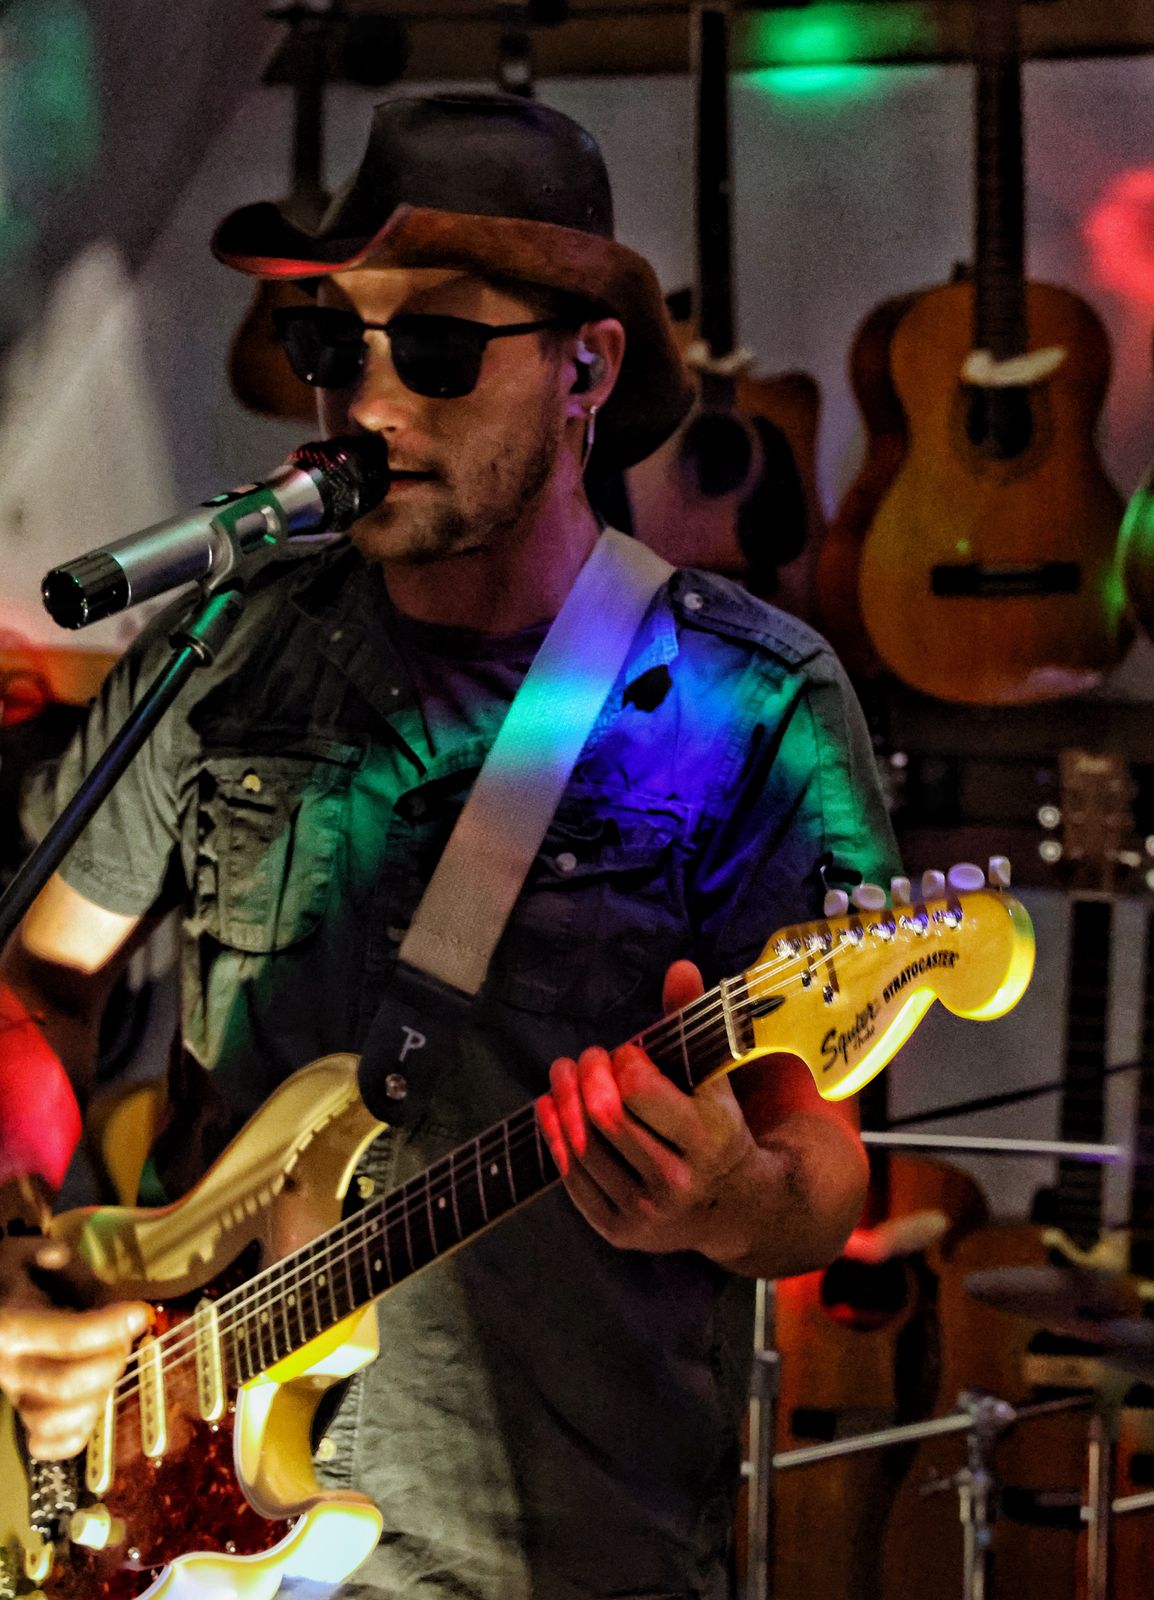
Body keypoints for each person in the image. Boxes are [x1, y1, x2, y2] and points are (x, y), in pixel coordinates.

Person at [0, 92, 898, 1599]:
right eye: (332, 343)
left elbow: (821, 1166)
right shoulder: (231, 650)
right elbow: (37, 982)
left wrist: (733, 1198)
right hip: (174, 1529)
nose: (367, 402)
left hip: (550, 1556)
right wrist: (23, 1253)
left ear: (585, 367)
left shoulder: (755, 702)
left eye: (432, 346)